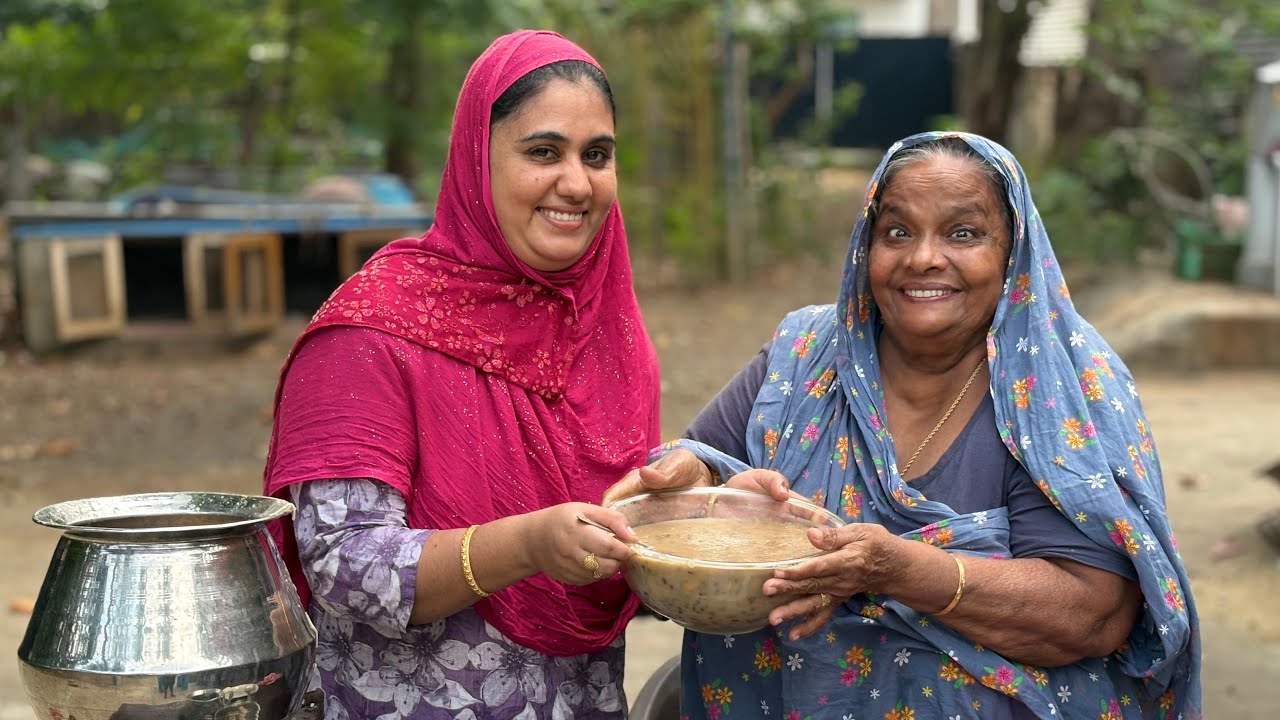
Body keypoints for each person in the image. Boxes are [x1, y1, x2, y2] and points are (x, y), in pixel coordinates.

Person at [605, 132, 1200, 719]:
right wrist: (691, 474)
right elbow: (706, 467)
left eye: (963, 233)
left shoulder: (1058, 389)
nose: (922, 258)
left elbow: (1094, 616)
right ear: (868, 247)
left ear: (1014, 251)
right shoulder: (807, 354)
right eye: (897, 232)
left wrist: (897, 570)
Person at [263, 30, 660, 719]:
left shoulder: (602, 331)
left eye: (597, 155)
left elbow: (618, 540)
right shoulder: (374, 328)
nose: (576, 182)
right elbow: (342, 564)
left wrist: (702, 509)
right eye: (543, 152)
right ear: (477, 158)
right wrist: (528, 544)